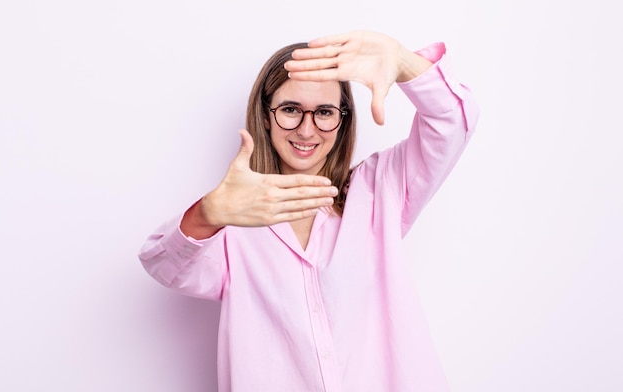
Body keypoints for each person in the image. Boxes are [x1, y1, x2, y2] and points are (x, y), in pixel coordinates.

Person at [138, 30, 479, 392]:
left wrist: (403, 61)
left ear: (343, 119)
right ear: (266, 115)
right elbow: (163, 265)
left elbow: (452, 123)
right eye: (290, 110)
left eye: (324, 112)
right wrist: (208, 214)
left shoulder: (380, 189)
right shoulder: (235, 223)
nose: (306, 129)